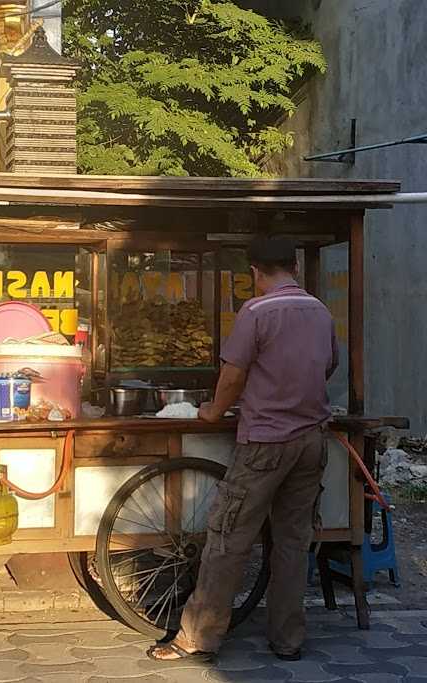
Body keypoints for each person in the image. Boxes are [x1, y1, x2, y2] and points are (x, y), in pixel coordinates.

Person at [148, 236, 339, 663]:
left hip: (266, 443)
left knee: (228, 537)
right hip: (311, 442)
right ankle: (288, 639)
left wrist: (213, 411)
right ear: (295, 266)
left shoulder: (256, 311)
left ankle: (197, 638)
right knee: (292, 541)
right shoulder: (321, 311)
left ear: (255, 272)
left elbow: (233, 376)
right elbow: (329, 366)